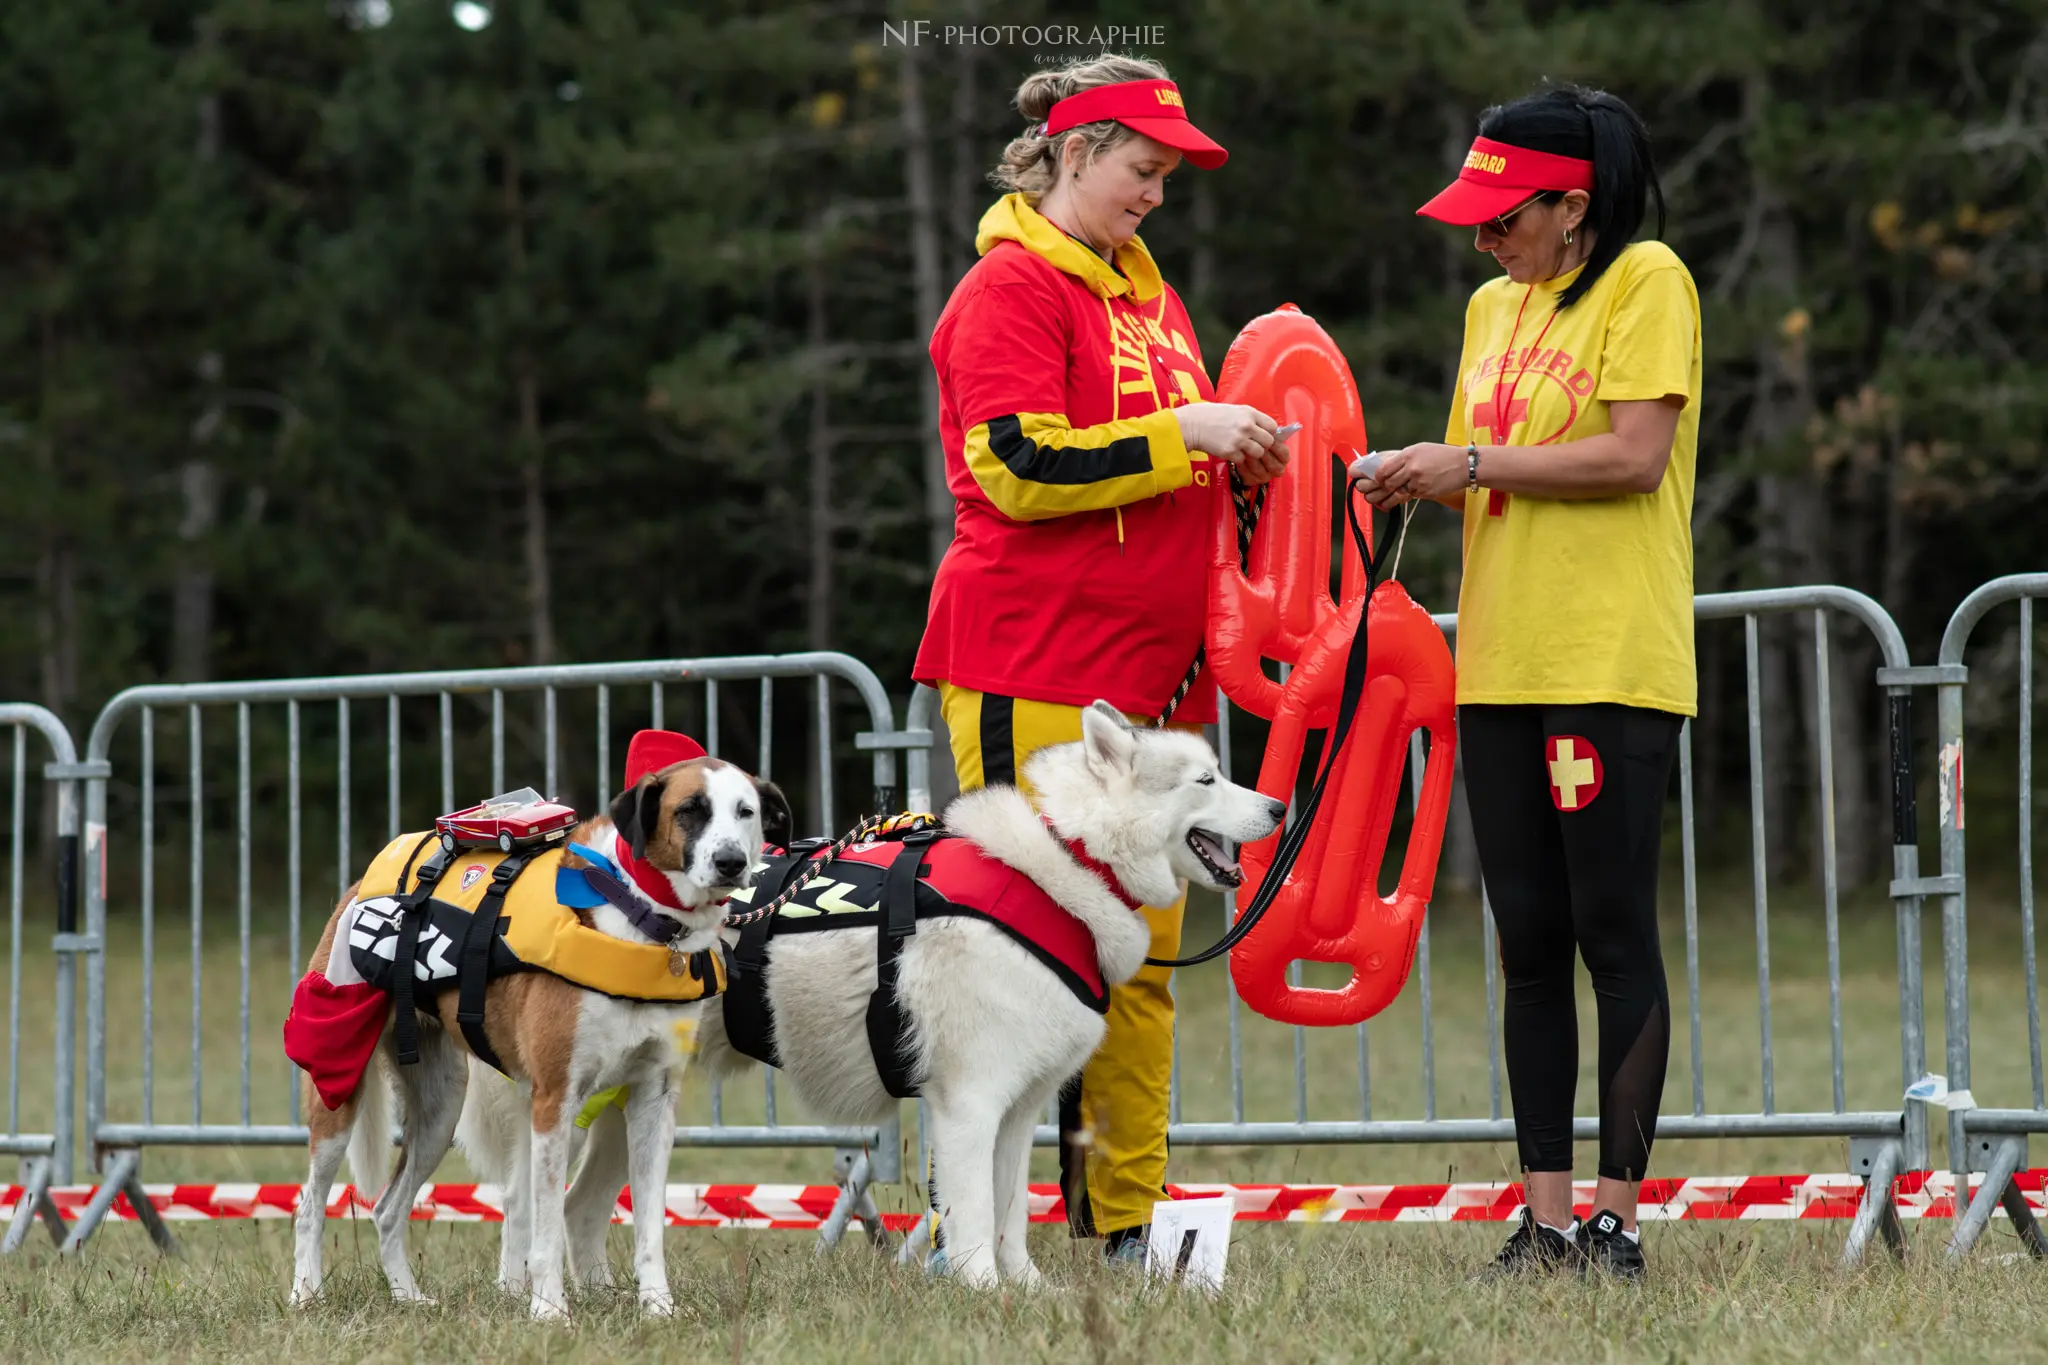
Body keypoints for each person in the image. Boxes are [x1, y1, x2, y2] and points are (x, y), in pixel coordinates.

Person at [913, 52, 1290, 1263]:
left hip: (1149, 678)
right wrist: (1181, 429)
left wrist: (1225, 462)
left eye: (1168, 177)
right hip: (1033, 660)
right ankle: (1019, 1224)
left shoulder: (1149, 295)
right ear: (1073, 157)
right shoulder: (1006, 292)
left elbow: (1145, 462)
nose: (1156, 196)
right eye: (1142, 170)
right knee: (1034, 956)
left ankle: (1122, 1219)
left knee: (1146, 958)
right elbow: (1018, 466)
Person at [1362, 84, 1701, 1281]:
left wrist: (1460, 457)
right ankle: (1542, 1217)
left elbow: (1627, 454)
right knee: (1525, 945)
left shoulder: (1644, 280)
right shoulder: (1488, 307)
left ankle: (1616, 1213)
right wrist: (1412, 473)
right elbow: (1480, 468)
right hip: (1499, 661)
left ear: (1573, 205)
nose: (1484, 236)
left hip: (1606, 657)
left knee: (1611, 936)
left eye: (1505, 216)